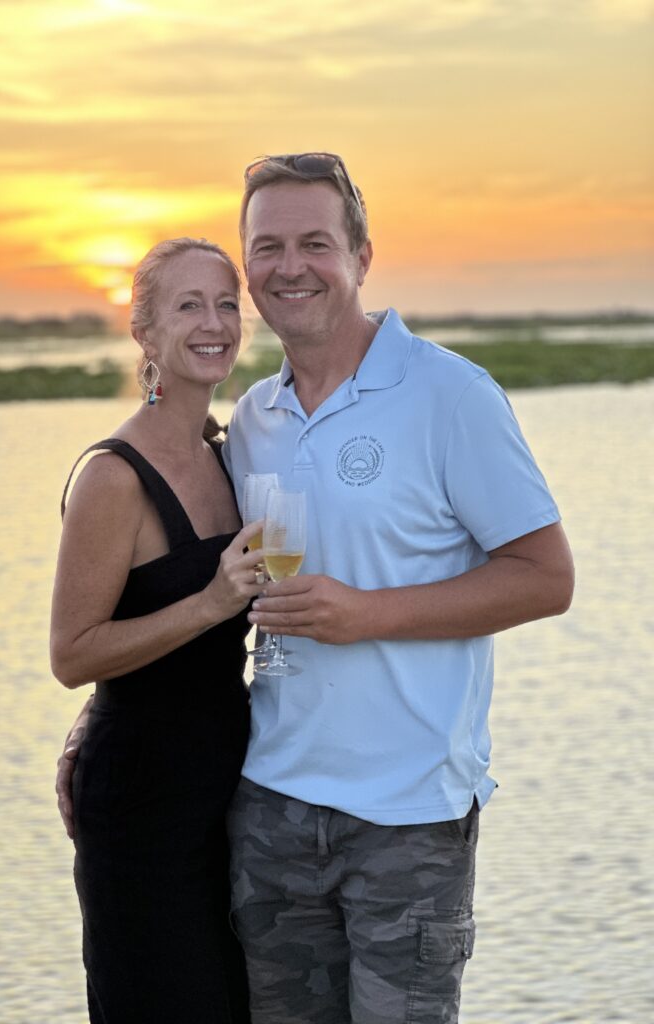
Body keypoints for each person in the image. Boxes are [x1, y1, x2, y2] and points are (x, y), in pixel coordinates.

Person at [58, 154, 575, 1024]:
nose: (289, 266)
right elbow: (156, 596)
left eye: (315, 243)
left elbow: (546, 578)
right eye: (267, 247)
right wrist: (110, 718)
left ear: (361, 255)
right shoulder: (253, 420)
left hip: (407, 814)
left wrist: (367, 616)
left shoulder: (450, 395)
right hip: (268, 810)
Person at [50, 237, 266, 1023]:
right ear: (143, 331)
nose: (214, 323)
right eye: (187, 306)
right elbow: (72, 655)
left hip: (229, 786)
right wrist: (210, 602)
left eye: (225, 304)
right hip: (142, 804)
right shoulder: (112, 476)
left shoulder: (229, 454)